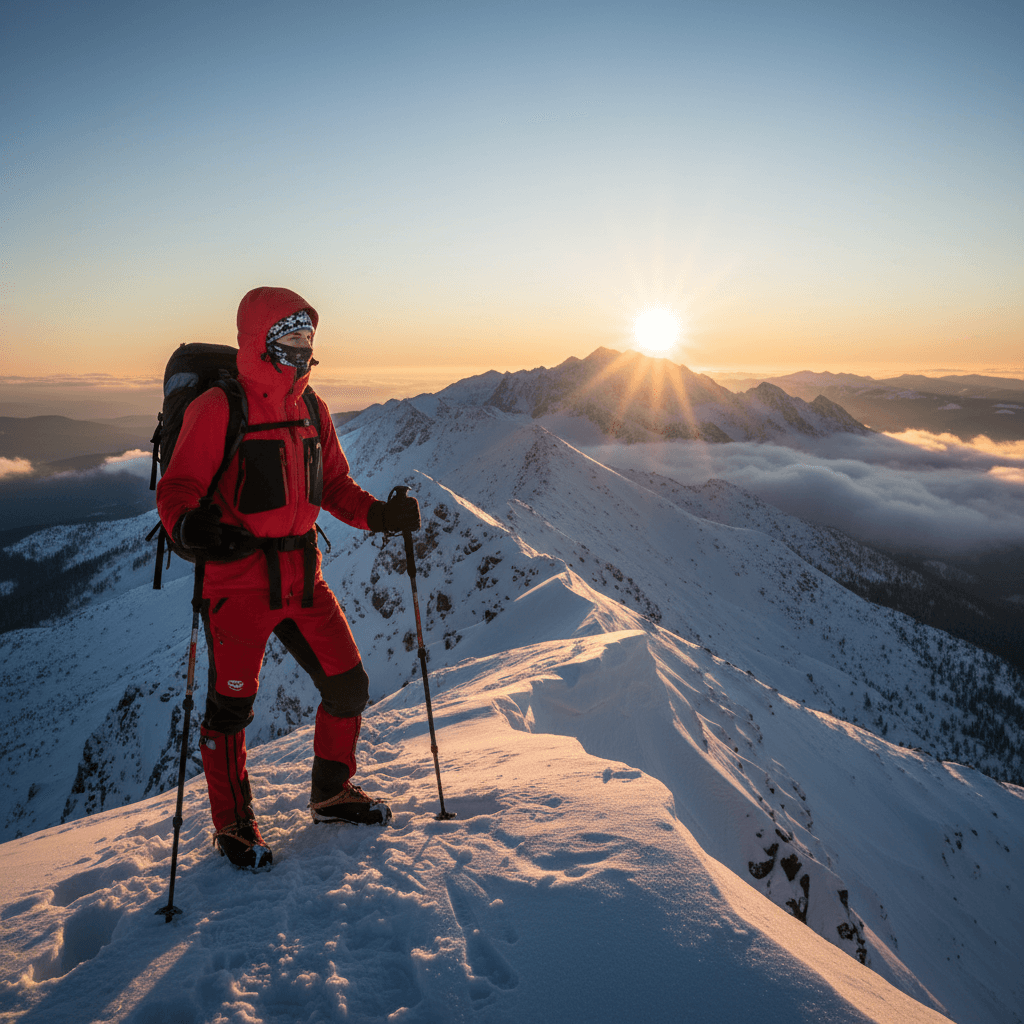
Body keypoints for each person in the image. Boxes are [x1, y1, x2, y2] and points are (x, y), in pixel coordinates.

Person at [156, 286, 419, 870]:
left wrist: (381, 515)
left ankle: (330, 793)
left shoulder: (311, 408)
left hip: (302, 578)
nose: (303, 351)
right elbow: (175, 490)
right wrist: (191, 529)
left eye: (308, 340)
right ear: (263, 342)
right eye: (291, 339)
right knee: (231, 713)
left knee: (348, 686)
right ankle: (234, 824)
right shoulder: (220, 408)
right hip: (237, 585)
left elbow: (337, 487)